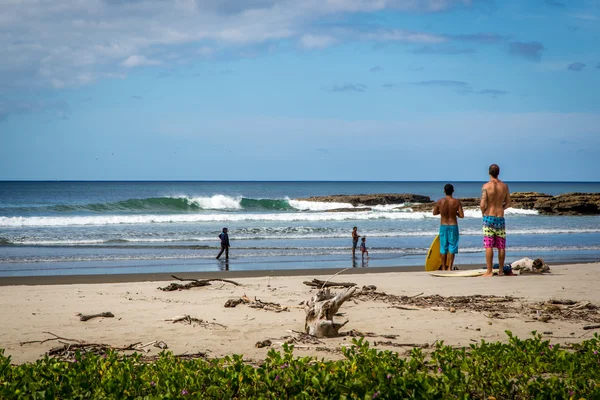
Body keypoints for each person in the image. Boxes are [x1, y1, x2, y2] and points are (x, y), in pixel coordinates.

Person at [480, 164, 512, 276]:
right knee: (501, 245)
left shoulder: (486, 186)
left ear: (489, 173)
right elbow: (509, 202)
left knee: (489, 245)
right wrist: (501, 208)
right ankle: (501, 271)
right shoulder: (504, 186)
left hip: (489, 216)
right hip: (500, 217)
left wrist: (483, 212)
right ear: (498, 173)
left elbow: (482, 203)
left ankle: (489, 271)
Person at [433, 183, 464, 270]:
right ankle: (449, 267)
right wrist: (456, 213)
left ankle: (443, 267)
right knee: (452, 247)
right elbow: (462, 215)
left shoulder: (440, 201)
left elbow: (434, 212)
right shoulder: (457, 202)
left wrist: (442, 212)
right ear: (453, 191)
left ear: (444, 191)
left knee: (443, 247)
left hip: (443, 225)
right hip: (453, 226)